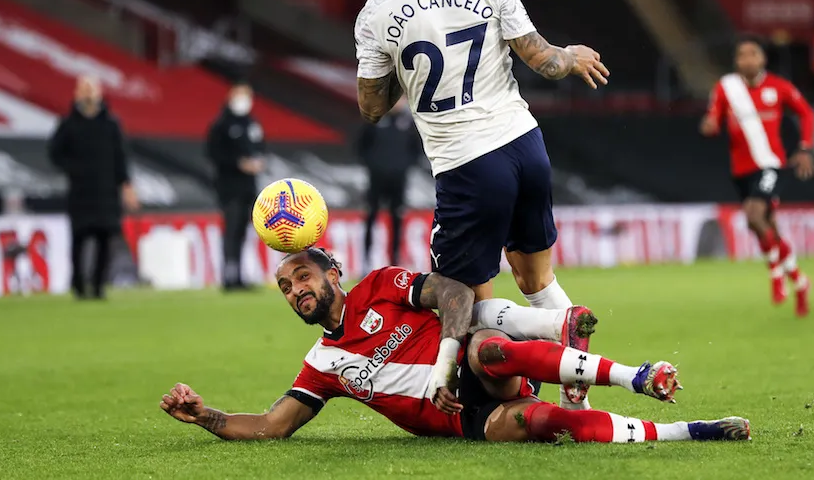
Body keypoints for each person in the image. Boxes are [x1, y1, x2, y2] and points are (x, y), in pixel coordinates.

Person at [351, 0, 610, 409]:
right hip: (526, 146)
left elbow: (373, 107)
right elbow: (543, 60)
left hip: (469, 167)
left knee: (463, 299)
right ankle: (576, 395)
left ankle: (526, 368)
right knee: (537, 279)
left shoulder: (377, 12)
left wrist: (402, 67)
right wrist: (571, 54)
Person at [160, 248, 750, 444]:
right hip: (467, 421)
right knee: (545, 424)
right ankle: (690, 432)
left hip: (473, 364)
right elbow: (271, 426)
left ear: (332, 274)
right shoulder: (322, 365)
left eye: (303, 277)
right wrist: (205, 415)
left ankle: (635, 375)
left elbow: (453, 293)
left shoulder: (381, 285)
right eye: (287, 288)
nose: (296, 291)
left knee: (486, 349)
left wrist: (446, 359)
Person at [700, 35, 814, 316]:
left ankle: (775, 274)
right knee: (767, 226)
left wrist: (804, 148)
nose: (748, 59)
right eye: (742, 55)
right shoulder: (726, 88)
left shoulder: (779, 87)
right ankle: (800, 281)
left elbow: (806, 113)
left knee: (754, 216)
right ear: (736, 61)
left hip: (770, 165)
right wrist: (710, 124)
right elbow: (713, 119)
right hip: (741, 170)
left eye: (753, 53)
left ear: (762, 58)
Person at [48, 75, 140, 300]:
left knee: (105, 239)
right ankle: (79, 285)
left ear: (99, 93)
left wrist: (126, 186)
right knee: (79, 239)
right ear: (77, 93)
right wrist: (73, 169)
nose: (88, 93)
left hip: (106, 191)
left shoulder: (111, 124)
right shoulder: (68, 124)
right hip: (80, 191)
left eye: (92, 89)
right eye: (84, 89)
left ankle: (99, 285)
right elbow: (54, 153)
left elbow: (121, 157)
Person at [206, 80, 266, 291]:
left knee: (242, 231)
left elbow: (260, 147)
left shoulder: (252, 124)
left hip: (249, 187)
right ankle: (228, 276)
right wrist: (238, 163)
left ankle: (240, 275)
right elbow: (214, 153)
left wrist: (258, 161)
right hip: (229, 187)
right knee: (231, 231)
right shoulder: (221, 125)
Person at [356, 96, 422, 268]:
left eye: (400, 99)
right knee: (371, 217)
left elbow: (417, 149)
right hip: (376, 179)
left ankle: (395, 261)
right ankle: (366, 261)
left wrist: (403, 166)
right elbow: (361, 146)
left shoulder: (409, 123)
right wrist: (374, 165)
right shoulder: (375, 119)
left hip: (398, 181)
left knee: (397, 219)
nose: (397, 103)